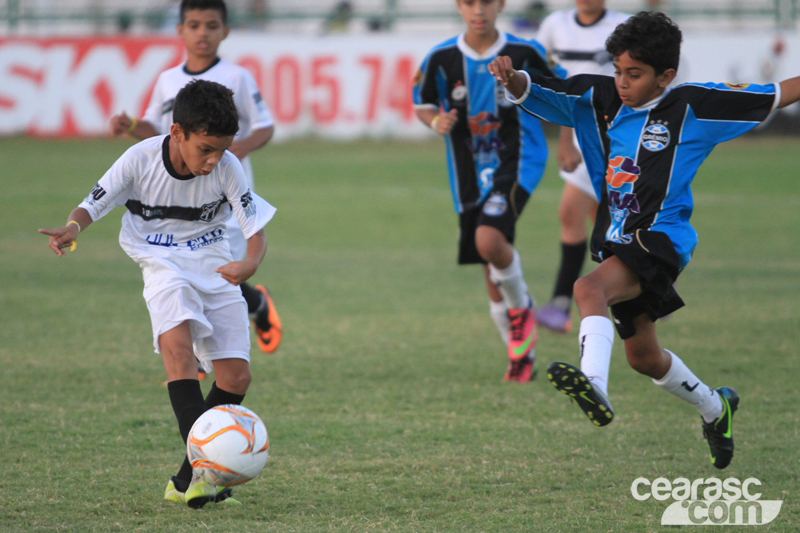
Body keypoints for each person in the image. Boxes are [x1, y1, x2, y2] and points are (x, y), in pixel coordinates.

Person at [489, 11, 800, 467]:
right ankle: (717, 408)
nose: (621, 81)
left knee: (586, 288)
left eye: (634, 74)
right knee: (644, 357)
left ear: (666, 77)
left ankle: (594, 383)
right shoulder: (594, 98)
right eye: (617, 70)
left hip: (661, 237)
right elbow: (536, 90)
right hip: (617, 238)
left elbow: (779, 93)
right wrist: (511, 77)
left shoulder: (693, 107)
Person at [40, 80, 277, 506]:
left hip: (213, 259)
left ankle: (188, 481)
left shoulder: (227, 167)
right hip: (159, 260)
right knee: (178, 352)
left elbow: (255, 231)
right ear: (177, 133)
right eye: (205, 148)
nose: (213, 160)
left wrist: (251, 264)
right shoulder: (139, 158)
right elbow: (94, 202)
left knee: (237, 377)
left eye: (221, 149)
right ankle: (212, 467)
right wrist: (73, 228)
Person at [111, 0, 282, 365]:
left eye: (211, 25)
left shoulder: (237, 77)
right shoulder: (167, 80)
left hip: (223, 201)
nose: (202, 33)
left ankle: (217, 350)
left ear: (225, 31)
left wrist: (232, 152)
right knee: (190, 274)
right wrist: (129, 127)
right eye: (193, 25)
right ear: (180, 31)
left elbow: (265, 125)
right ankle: (241, 319)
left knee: (218, 273)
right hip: (175, 198)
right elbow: (157, 132)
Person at [413, 0, 565, 382]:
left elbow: (567, 92)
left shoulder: (526, 51)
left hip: (519, 161)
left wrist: (568, 142)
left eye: (486, 2)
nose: (478, 10)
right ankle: (520, 354)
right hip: (467, 171)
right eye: (469, 3)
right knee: (489, 261)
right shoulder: (441, 57)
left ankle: (523, 308)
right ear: (459, 7)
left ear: (500, 5)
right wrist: (437, 120)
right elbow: (423, 103)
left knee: (489, 239)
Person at [534, 0, 630, 333]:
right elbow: (559, 85)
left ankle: (561, 303)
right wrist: (564, 139)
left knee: (572, 212)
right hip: (579, 131)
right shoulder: (554, 26)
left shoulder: (623, 27)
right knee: (600, 216)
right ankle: (642, 289)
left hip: (616, 134)